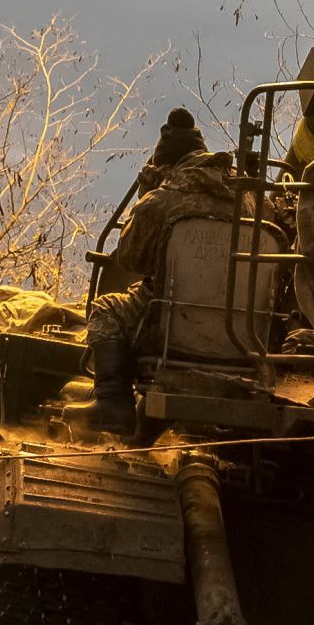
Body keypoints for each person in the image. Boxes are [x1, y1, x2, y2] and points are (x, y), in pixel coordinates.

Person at [87, 107, 230, 438]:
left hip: (172, 323)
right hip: (241, 329)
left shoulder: (162, 200)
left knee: (107, 309)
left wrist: (148, 194)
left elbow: (131, 260)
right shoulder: (249, 197)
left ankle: (113, 408)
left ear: (166, 164)